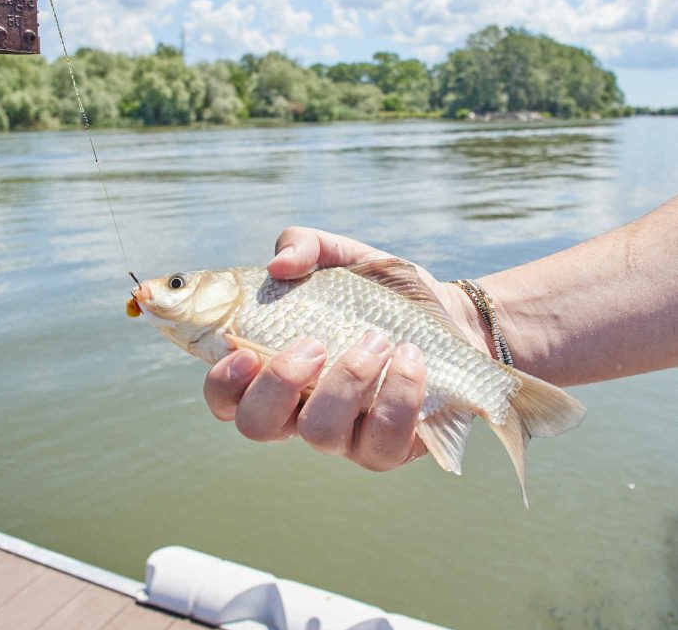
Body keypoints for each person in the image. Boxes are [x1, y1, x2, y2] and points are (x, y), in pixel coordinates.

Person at [203, 197, 678, 472]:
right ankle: (470, 387)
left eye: (179, 283)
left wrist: (470, 329)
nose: (161, 293)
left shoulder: (245, 294)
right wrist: (469, 322)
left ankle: (488, 390)